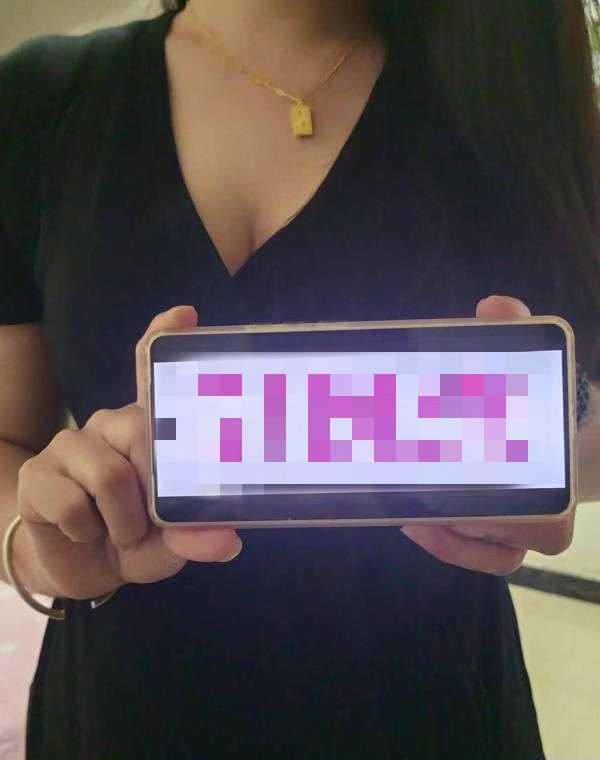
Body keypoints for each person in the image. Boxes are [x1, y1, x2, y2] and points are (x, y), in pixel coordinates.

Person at [1, 0, 599, 757]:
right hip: (126, 707)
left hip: (427, 708)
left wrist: (558, 447)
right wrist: (39, 545)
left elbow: (589, 416)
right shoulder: (39, 100)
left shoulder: (510, 85)